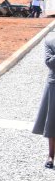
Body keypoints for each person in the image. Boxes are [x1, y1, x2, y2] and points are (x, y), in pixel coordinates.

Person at [32, 32, 55, 168]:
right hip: (54, 84)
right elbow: (50, 63)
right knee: (52, 121)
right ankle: (51, 155)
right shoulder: (50, 41)